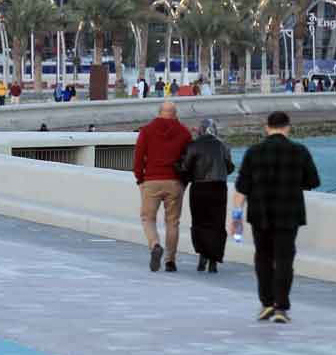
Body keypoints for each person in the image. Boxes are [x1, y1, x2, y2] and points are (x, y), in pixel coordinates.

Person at [233, 110, 321, 324]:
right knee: (284, 260)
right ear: (287, 127)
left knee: (262, 258)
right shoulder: (299, 151)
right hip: (288, 215)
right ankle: (281, 307)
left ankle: (266, 303)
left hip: (260, 213)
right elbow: (313, 181)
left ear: (267, 127)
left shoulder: (253, 152)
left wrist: (236, 218)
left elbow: (242, 188)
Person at [133, 101, 192, 273]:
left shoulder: (147, 130)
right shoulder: (184, 132)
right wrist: (184, 182)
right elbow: (189, 160)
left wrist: (140, 179)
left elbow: (138, 158)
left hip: (151, 180)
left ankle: (155, 245)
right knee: (172, 222)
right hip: (174, 182)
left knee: (148, 218)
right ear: (175, 114)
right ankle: (170, 261)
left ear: (159, 113)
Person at [178, 118, 235, 273]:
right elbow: (230, 167)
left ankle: (203, 255)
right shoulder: (223, 146)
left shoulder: (194, 146)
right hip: (219, 188)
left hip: (200, 187)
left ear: (201, 130)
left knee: (199, 221)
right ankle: (214, 260)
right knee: (217, 223)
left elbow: (185, 168)